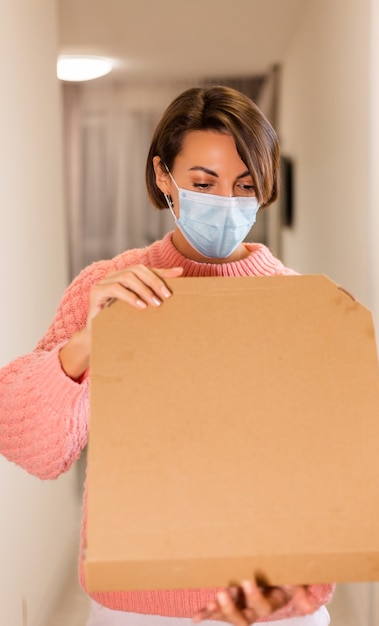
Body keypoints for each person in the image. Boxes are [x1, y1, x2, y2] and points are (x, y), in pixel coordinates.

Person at [0, 86, 334, 626]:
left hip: (268, 609)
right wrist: (86, 343)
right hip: (136, 604)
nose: (226, 204)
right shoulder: (105, 289)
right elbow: (34, 448)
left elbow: (330, 466)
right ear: (163, 177)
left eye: (245, 186)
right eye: (204, 184)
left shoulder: (296, 302)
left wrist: (306, 590)